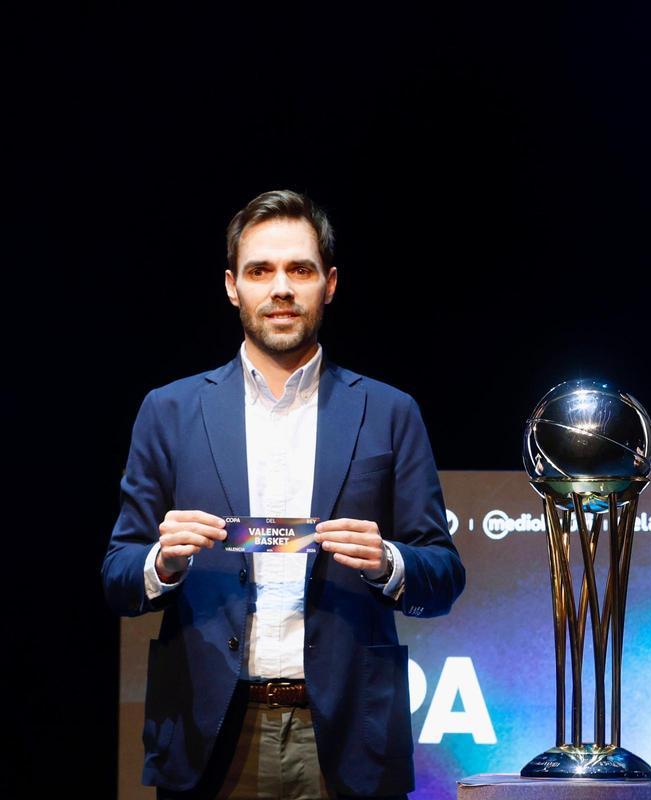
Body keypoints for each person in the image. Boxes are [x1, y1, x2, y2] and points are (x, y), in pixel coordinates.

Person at [103, 190, 465, 799]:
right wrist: (160, 563)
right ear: (231, 286)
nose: (280, 288)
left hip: (349, 737)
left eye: (299, 269)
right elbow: (117, 577)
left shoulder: (389, 411)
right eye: (259, 270)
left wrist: (390, 562)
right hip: (209, 736)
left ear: (329, 284)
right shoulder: (168, 411)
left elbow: (444, 577)